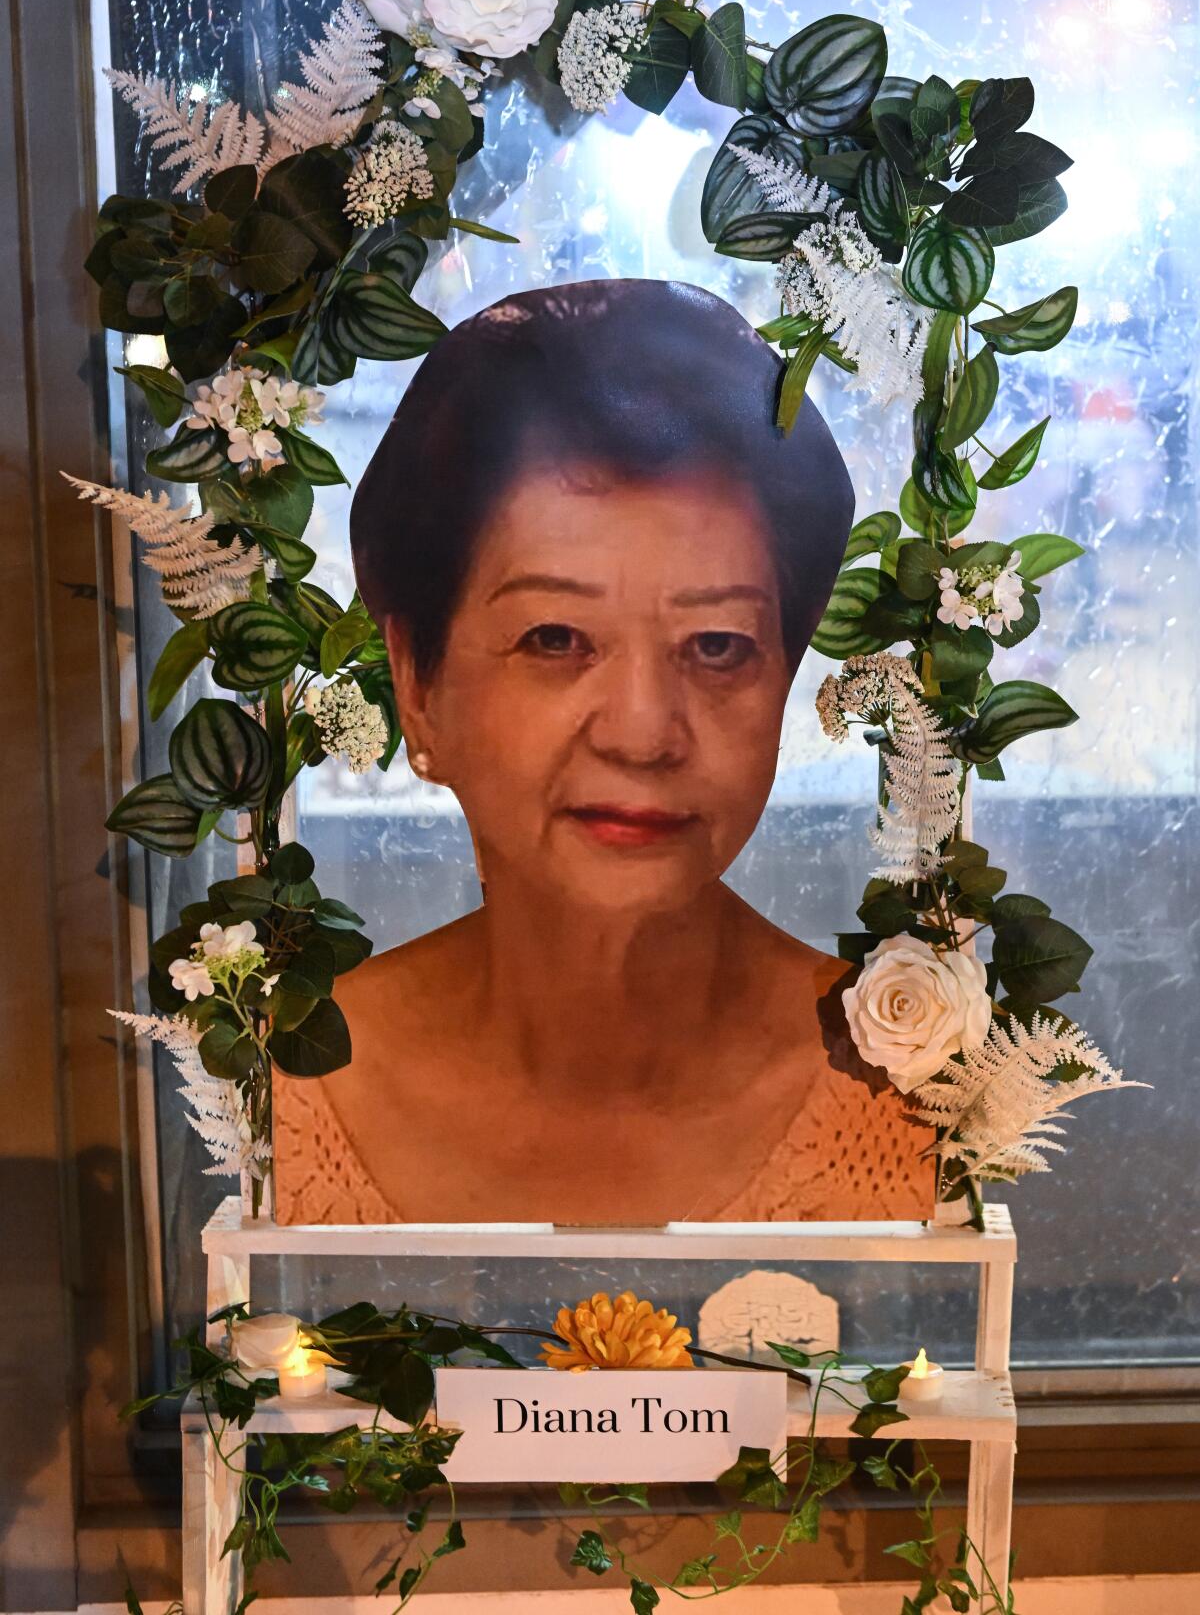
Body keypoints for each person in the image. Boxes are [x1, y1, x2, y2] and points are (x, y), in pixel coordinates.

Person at [274, 279, 931, 1224]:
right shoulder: (286, 1079)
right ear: (416, 685)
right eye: (554, 639)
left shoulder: (915, 1081)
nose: (643, 733)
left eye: (717, 647)